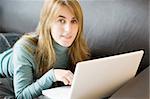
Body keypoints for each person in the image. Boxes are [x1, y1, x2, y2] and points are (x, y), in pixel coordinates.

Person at [0, 0, 90, 98]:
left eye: (73, 21)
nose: (68, 29)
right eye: (61, 20)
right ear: (48, 22)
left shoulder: (78, 46)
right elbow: (21, 95)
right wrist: (52, 76)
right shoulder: (24, 49)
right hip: (7, 46)